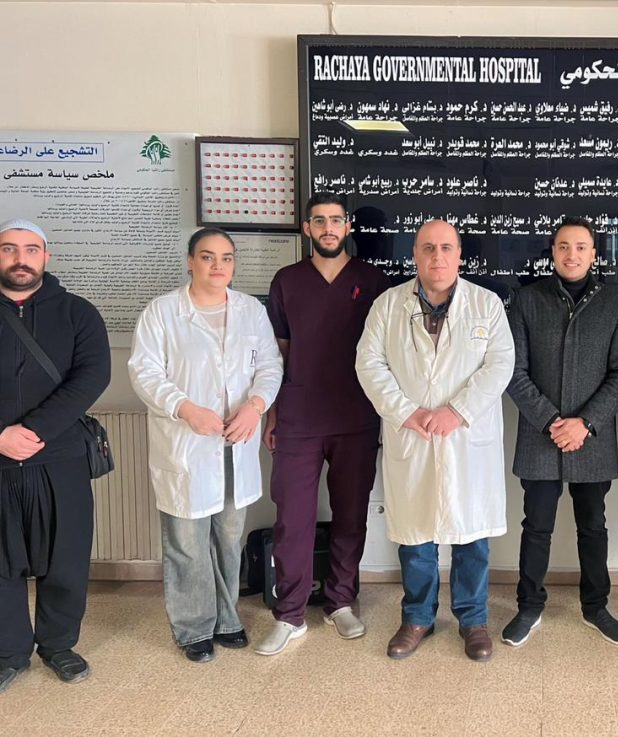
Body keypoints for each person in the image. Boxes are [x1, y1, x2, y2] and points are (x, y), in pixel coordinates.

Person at [356, 219, 513, 662]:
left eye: (446, 248)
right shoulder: (388, 305)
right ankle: (417, 618)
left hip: (466, 438)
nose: (437, 256)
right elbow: (368, 363)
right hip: (414, 435)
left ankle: (473, 620)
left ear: (459, 255)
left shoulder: (486, 305)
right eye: (428, 248)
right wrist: (406, 412)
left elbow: (500, 365)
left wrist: (456, 411)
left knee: (471, 536)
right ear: (415, 254)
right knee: (416, 536)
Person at [128, 228, 283, 663]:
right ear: (190, 261)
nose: (218, 266)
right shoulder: (163, 312)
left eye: (226, 258)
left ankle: (227, 619)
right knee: (187, 542)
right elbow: (144, 371)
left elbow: (270, 365)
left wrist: (255, 406)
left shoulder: (251, 310)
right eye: (208, 257)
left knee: (229, 539)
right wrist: (185, 409)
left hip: (236, 441)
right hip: (187, 444)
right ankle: (193, 627)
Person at [255, 193, 390, 656]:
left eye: (336, 220)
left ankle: (341, 601)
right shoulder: (287, 281)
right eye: (319, 221)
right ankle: (290, 614)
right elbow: (278, 353)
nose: (328, 228)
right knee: (292, 518)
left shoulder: (373, 281)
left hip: (356, 416)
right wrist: (273, 412)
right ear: (307, 228)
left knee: (351, 515)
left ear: (348, 226)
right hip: (298, 417)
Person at [502, 216, 618, 647]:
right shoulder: (527, 299)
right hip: (540, 435)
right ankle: (529, 606)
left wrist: (586, 423)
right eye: (563, 246)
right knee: (536, 526)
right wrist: (551, 421)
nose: (571, 254)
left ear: (594, 254)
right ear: (553, 252)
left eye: (580, 247)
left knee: (593, 525)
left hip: (591, 438)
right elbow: (514, 372)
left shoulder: (614, 303)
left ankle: (596, 607)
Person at [0, 219, 110, 691]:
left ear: (46, 257)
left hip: (60, 456)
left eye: (31, 249)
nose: (20, 258)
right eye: (8, 249)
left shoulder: (77, 313)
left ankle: (58, 644)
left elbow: (92, 376)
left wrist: (34, 429)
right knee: (1, 561)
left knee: (66, 558)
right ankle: (8, 652)